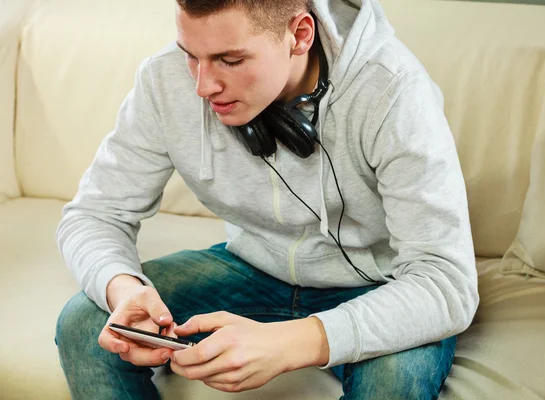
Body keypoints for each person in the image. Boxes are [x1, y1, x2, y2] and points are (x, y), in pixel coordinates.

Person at [55, 0, 479, 398]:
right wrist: (124, 290)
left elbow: (446, 282)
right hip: (254, 265)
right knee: (83, 324)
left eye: (231, 60)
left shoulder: (393, 91)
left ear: (300, 35)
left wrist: (294, 343)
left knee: (393, 380)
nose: (202, 86)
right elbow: (94, 213)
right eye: (190, 53)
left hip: (377, 286)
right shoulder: (164, 80)